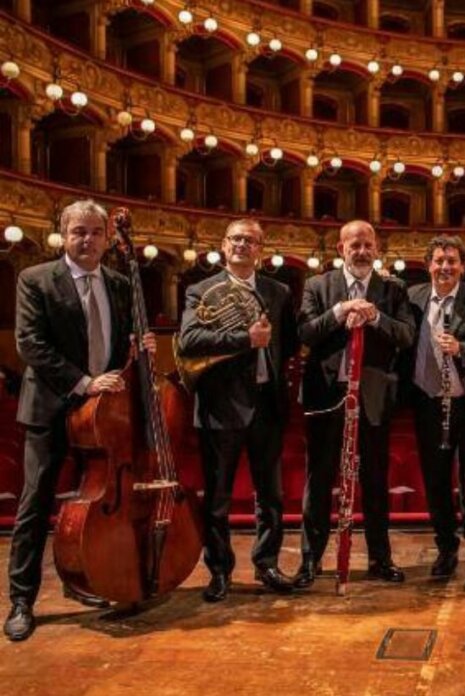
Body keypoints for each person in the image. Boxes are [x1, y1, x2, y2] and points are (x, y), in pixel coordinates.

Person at [5, 199, 155, 642]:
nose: (87, 240)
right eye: (78, 232)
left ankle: (86, 579)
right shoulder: (36, 279)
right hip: (52, 406)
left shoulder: (118, 283)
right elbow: (31, 344)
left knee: (97, 501)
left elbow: (122, 343)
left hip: (104, 413)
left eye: (95, 232)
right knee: (35, 503)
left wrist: (138, 347)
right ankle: (21, 600)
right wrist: (84, 383)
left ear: (107, 239)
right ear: (64, 235)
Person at [178, 218, 298, 602]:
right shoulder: (200, 290)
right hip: (221, 405)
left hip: (266, 403)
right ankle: (219, 571)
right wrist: (245, 338)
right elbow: (189, 340)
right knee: (218, 498)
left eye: (250, 240)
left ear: (260, 249)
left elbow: (288, 344)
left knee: (271, 496)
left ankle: (267, 563)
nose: (242, 245)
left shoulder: (278, 292)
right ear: (224, 245)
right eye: (235, 239)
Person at [295, 220, 414, 588]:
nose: (362, 252)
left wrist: (376, 317)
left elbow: (407, 335)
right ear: (341, 249)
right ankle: (311, 560)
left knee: (375, 479)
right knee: (320, 478)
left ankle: (380, 558)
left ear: (377, 249)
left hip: (372, 397)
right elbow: (304, 333)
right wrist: (339, 311)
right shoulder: (317, 286)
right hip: (327, 394)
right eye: (354, 245)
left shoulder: (393, 290)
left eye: (367, 245)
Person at [406, 235, 465, 588]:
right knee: (435, 483)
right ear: (428, 265)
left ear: (463, 266)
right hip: (427, 402)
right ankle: (446, 548)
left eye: (452, 261)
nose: (445, 267)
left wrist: (463, 348)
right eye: (439, 261)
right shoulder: (412, 297)